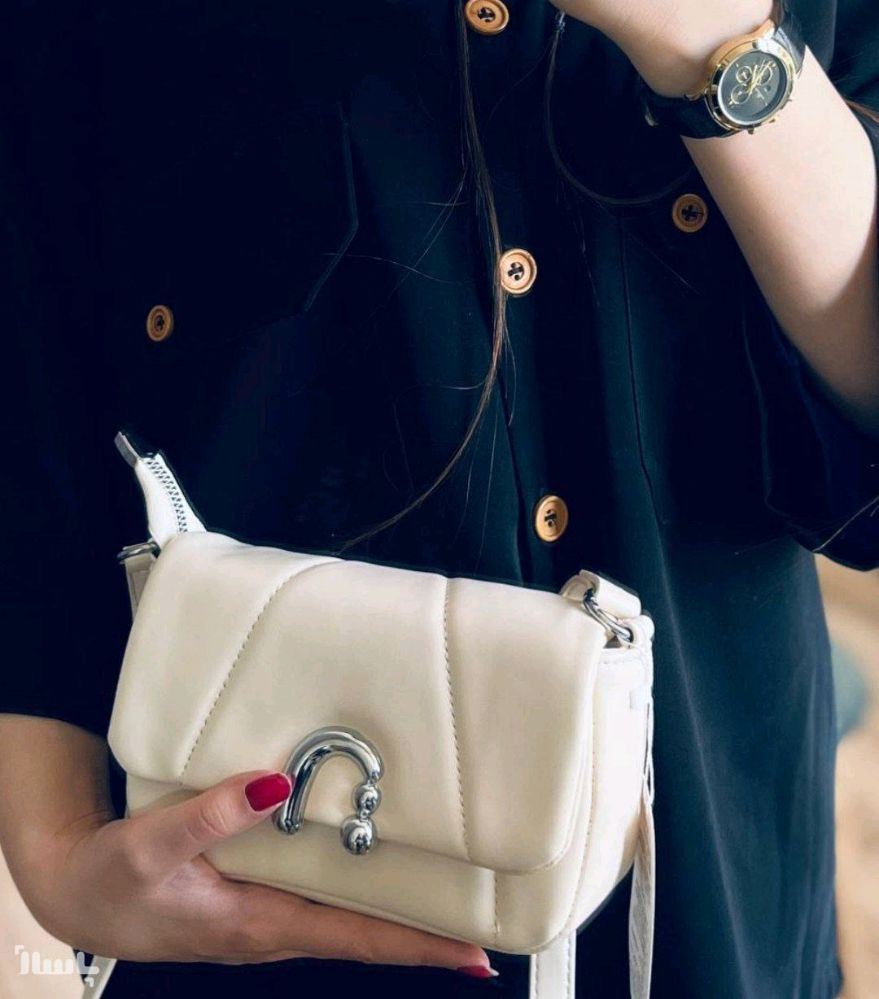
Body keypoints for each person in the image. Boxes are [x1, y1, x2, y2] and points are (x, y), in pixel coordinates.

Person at [1, 1, 878, 996]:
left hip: (704, 877)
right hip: (262, 886)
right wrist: (53, 853)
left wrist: (710, 39)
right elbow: (33, 387)